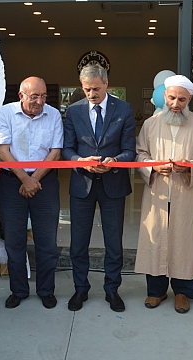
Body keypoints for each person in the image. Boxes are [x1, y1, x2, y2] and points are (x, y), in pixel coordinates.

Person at [63, 64, 136, 312]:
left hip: (113, 184)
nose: (91, 94)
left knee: (113, 242)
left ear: (106, 84)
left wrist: (115, 162)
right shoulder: (73, 111)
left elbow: (130, 150)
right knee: (78, 243)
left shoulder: (123, 109)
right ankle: (80, 289)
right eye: (86, 89)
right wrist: (79, 162)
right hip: (82, 185)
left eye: (95, 88)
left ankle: (112, 290)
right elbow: (67, 149)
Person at [134, 75, 193, 314]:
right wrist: (153, 166)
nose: (176, 104)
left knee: (184, 242)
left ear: (190, 99)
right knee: (155, 239)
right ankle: (155, 292)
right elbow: (140, 155)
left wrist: (189, 167)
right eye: (172, 98)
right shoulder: (150, 124)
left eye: (182, 99)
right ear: (164, 96)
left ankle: (182, 293)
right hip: (157, 192)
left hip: (185, 193)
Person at [0, 77, 62, 309]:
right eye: (34, 97)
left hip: (45, 181)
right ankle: (19, 290)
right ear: (21, 96)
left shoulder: (53, 114)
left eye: (43, 96)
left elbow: (55, 152)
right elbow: (3, 150)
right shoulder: (5, 113)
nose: (40, 102)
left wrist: (34, 179)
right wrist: (24, 178)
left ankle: (46, 290)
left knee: (47, 242)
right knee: (14, 241)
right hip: (13, 182)